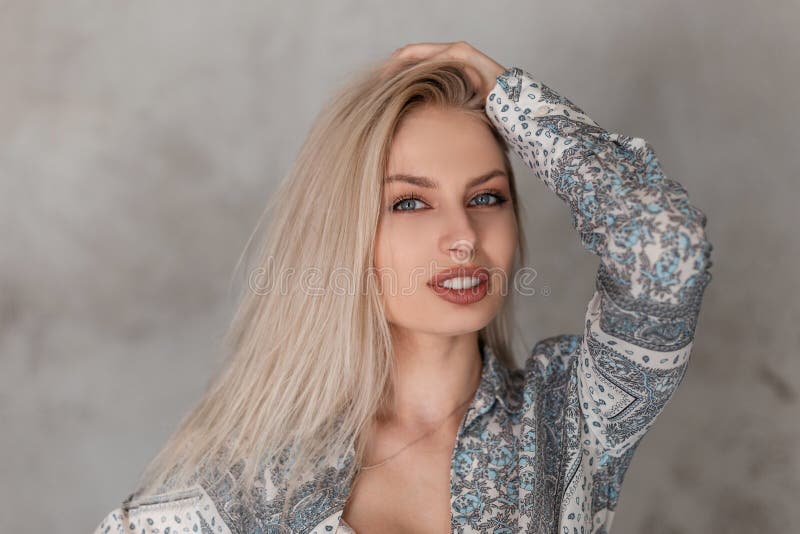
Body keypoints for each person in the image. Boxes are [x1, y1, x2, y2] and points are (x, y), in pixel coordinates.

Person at [91, 41, 714, 533]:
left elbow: (670, 249)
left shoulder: (570, 420)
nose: (463, 235)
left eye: (487, 197)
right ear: (346, 234)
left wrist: (510, 98)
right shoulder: (240, 487)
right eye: (411, 203)